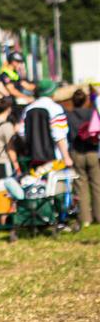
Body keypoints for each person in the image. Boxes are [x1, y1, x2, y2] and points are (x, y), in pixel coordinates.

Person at [64, 88, 100, 225]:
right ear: (85, 100)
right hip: (91, 151)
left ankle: (85, 218)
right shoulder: (92, 113)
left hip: (76, 152)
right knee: (97, 185)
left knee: (81, 185)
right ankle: (98, 215)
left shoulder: (69, 115)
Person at [21, 80, 73, 170]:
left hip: (33, 159)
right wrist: (66, 157)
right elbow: (59, 135)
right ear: (52, 92)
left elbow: (21, 132)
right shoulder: (55, 108)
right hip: (54, 160)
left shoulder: (27, 109)